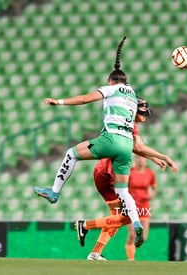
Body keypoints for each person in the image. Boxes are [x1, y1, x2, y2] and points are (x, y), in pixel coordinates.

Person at [34, 36, 145, 246]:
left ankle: (54, 192)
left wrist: (58, 101)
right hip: (126, 145)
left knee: (71, 154)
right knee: (123, 191)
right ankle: (137, 223)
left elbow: (85, 99)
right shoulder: (132, 94)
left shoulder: (111, 88)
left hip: (110, 139)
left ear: (111, 81)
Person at [74, 97, 178, 260]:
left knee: (118, 218)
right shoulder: (126, 122)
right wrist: (164, 156)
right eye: (143, 112)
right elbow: (137, 147)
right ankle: (86, 225)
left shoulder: (130, 123)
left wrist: (153, 158)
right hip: (107, 169)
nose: (145, 116)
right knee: (127, 216)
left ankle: (95, 252)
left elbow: (135, 147)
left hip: (105, 169)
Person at [125, 154, 157, 261]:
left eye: (142, 158)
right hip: (131, 207)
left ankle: (132, 250)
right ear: (134, 159)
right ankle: (131, 258)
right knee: (132, 234)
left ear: (146, 160)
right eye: (138, 158)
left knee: (143, 237)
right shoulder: (130, 172)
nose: (140, 160)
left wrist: (151, 195)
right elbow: (123, 189)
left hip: (144, 207)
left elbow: (153, 188)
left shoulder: (150, 174)